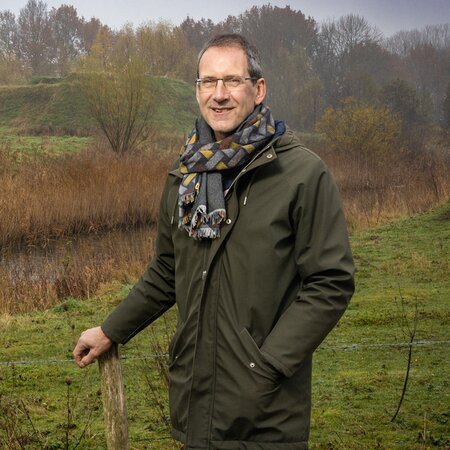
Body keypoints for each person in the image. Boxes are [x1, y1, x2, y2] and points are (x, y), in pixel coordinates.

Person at [73, 33, 355, 450]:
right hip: (195, 396)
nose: (219, 95)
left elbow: (330, 282)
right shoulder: (185, 174)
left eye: (232, 81)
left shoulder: (301, 174)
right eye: (208, 82)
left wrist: (267, 365)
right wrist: (111, 330)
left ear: (258, 90)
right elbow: (168, 271)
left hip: (267, 413)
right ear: (197, 91)